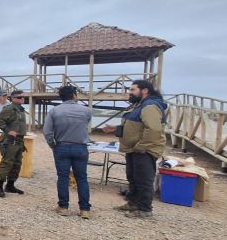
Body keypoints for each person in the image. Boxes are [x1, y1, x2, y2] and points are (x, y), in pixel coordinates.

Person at [103, 80, 168, 219]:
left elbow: (153, 129)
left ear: (144, 90)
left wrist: (141, 146)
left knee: (144, 179)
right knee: (133, 177)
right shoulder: (139, 105)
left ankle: (145, 209)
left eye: (133, 90)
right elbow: (136, 126)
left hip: (144, 150)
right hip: (133, 149)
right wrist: (116, 128)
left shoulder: (150, 106)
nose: (129, 93)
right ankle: (133, 203)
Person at [43, 85, 93, 218]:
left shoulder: (54, 111)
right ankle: (85, 209)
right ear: (74, 95)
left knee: (63, 177)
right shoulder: (87, 110)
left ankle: (63, 207)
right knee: (82, 178)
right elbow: (85, 124)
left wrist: (52, 144)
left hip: (62, 146)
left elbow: (47, 131)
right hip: (81, 147)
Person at [0, 90, 28, 197]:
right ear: (12, 98)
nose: (22, 99)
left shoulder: (20, 110)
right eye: (19, 97)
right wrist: (8, 130)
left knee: (17, 164)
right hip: (10, 141)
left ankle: (10, 185)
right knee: (7, 163)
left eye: (23, 97)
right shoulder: (9, 109)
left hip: (19, 141)